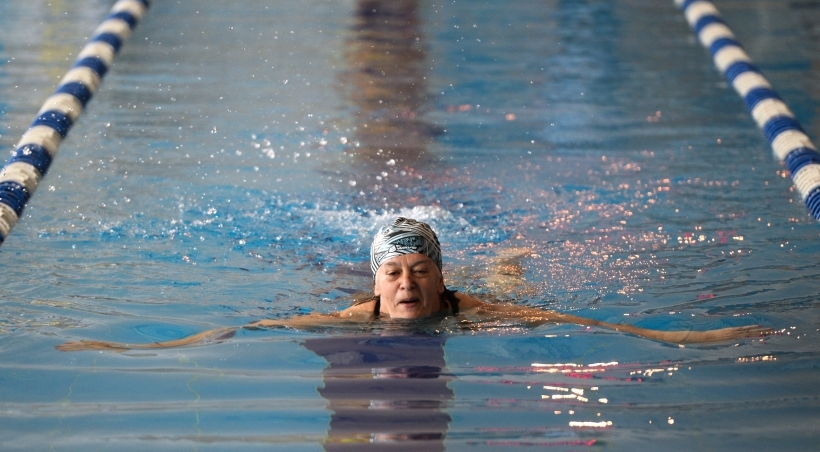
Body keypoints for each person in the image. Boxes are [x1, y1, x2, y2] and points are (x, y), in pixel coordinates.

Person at [56, 217, 770, 352]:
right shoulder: (354, 314)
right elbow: (253, 328)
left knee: (509, 285)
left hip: (483, 294)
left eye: (420, 271)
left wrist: (677, 335)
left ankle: (506, 259)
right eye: (395, 273)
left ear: (439, 277)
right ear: (376, 280)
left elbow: (578, 324)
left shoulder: (469, 310)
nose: (406, 285)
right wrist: (140, 350)